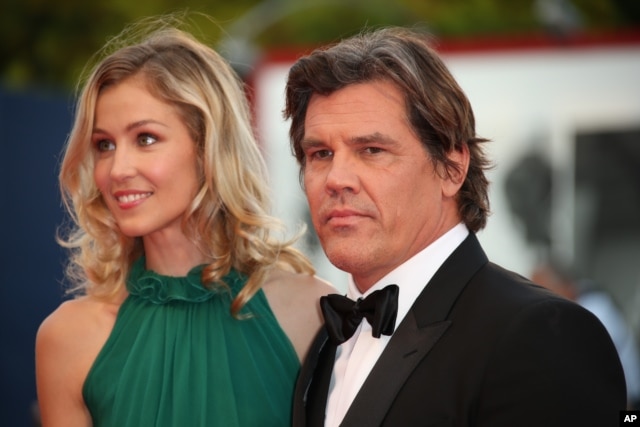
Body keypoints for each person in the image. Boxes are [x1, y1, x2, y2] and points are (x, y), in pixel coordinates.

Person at [283, 26, 627, 426]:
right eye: (320, 153)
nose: (336, 178)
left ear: (452, 168)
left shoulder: (542, 335)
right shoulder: (325, 342)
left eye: (371, 150)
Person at [35, 16, 334, 427]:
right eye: (104, 145)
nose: (117, 168)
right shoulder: (68, 337)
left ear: (208, 146)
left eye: (145, 139)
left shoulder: (311, 311)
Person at [532, 259, 640, 409]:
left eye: (543, 290)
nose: (537, 300)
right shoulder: (572, 311)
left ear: (565, 287)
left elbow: (605, 370)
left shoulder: (595, 310)